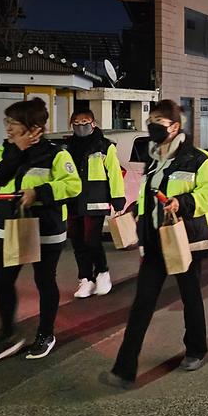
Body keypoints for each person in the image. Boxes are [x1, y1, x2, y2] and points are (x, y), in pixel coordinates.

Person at [102, 100, 208, 389]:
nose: (152, 125)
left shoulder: (200, 159)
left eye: (159, 121)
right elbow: (150, 196)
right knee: (142, 303)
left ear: (175, 126)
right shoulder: (153, 159)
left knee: (190, 297)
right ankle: (124, 368)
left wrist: (184, 202)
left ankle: (196, 349)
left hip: (185, 240)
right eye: (151, 119)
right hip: (155, 241)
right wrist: (134, 211)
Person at [0, 98, 82, 365]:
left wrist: (40, 193)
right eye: (7, 122)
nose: (8, 128)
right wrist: (17, 151)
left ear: (35, 128)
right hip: (13, 226)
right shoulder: (6, 151)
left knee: (45, 281)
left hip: (46, 228)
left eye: (14, 123)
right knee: (2, 280)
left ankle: (46, 334)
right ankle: (8, 335)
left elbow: (73, 185)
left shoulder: (57, 154)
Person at [65, 109, 126, 299]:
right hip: (73, 201)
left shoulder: (105, 146)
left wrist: (118, 199)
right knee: (77, 242)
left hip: (96, 200)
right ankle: (85, 279)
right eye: (77, 122)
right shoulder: (67, 148)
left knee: (91, 240)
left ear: (93, 123)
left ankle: (102, 273)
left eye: (85, 121)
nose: (81, 125)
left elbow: (114, 174)